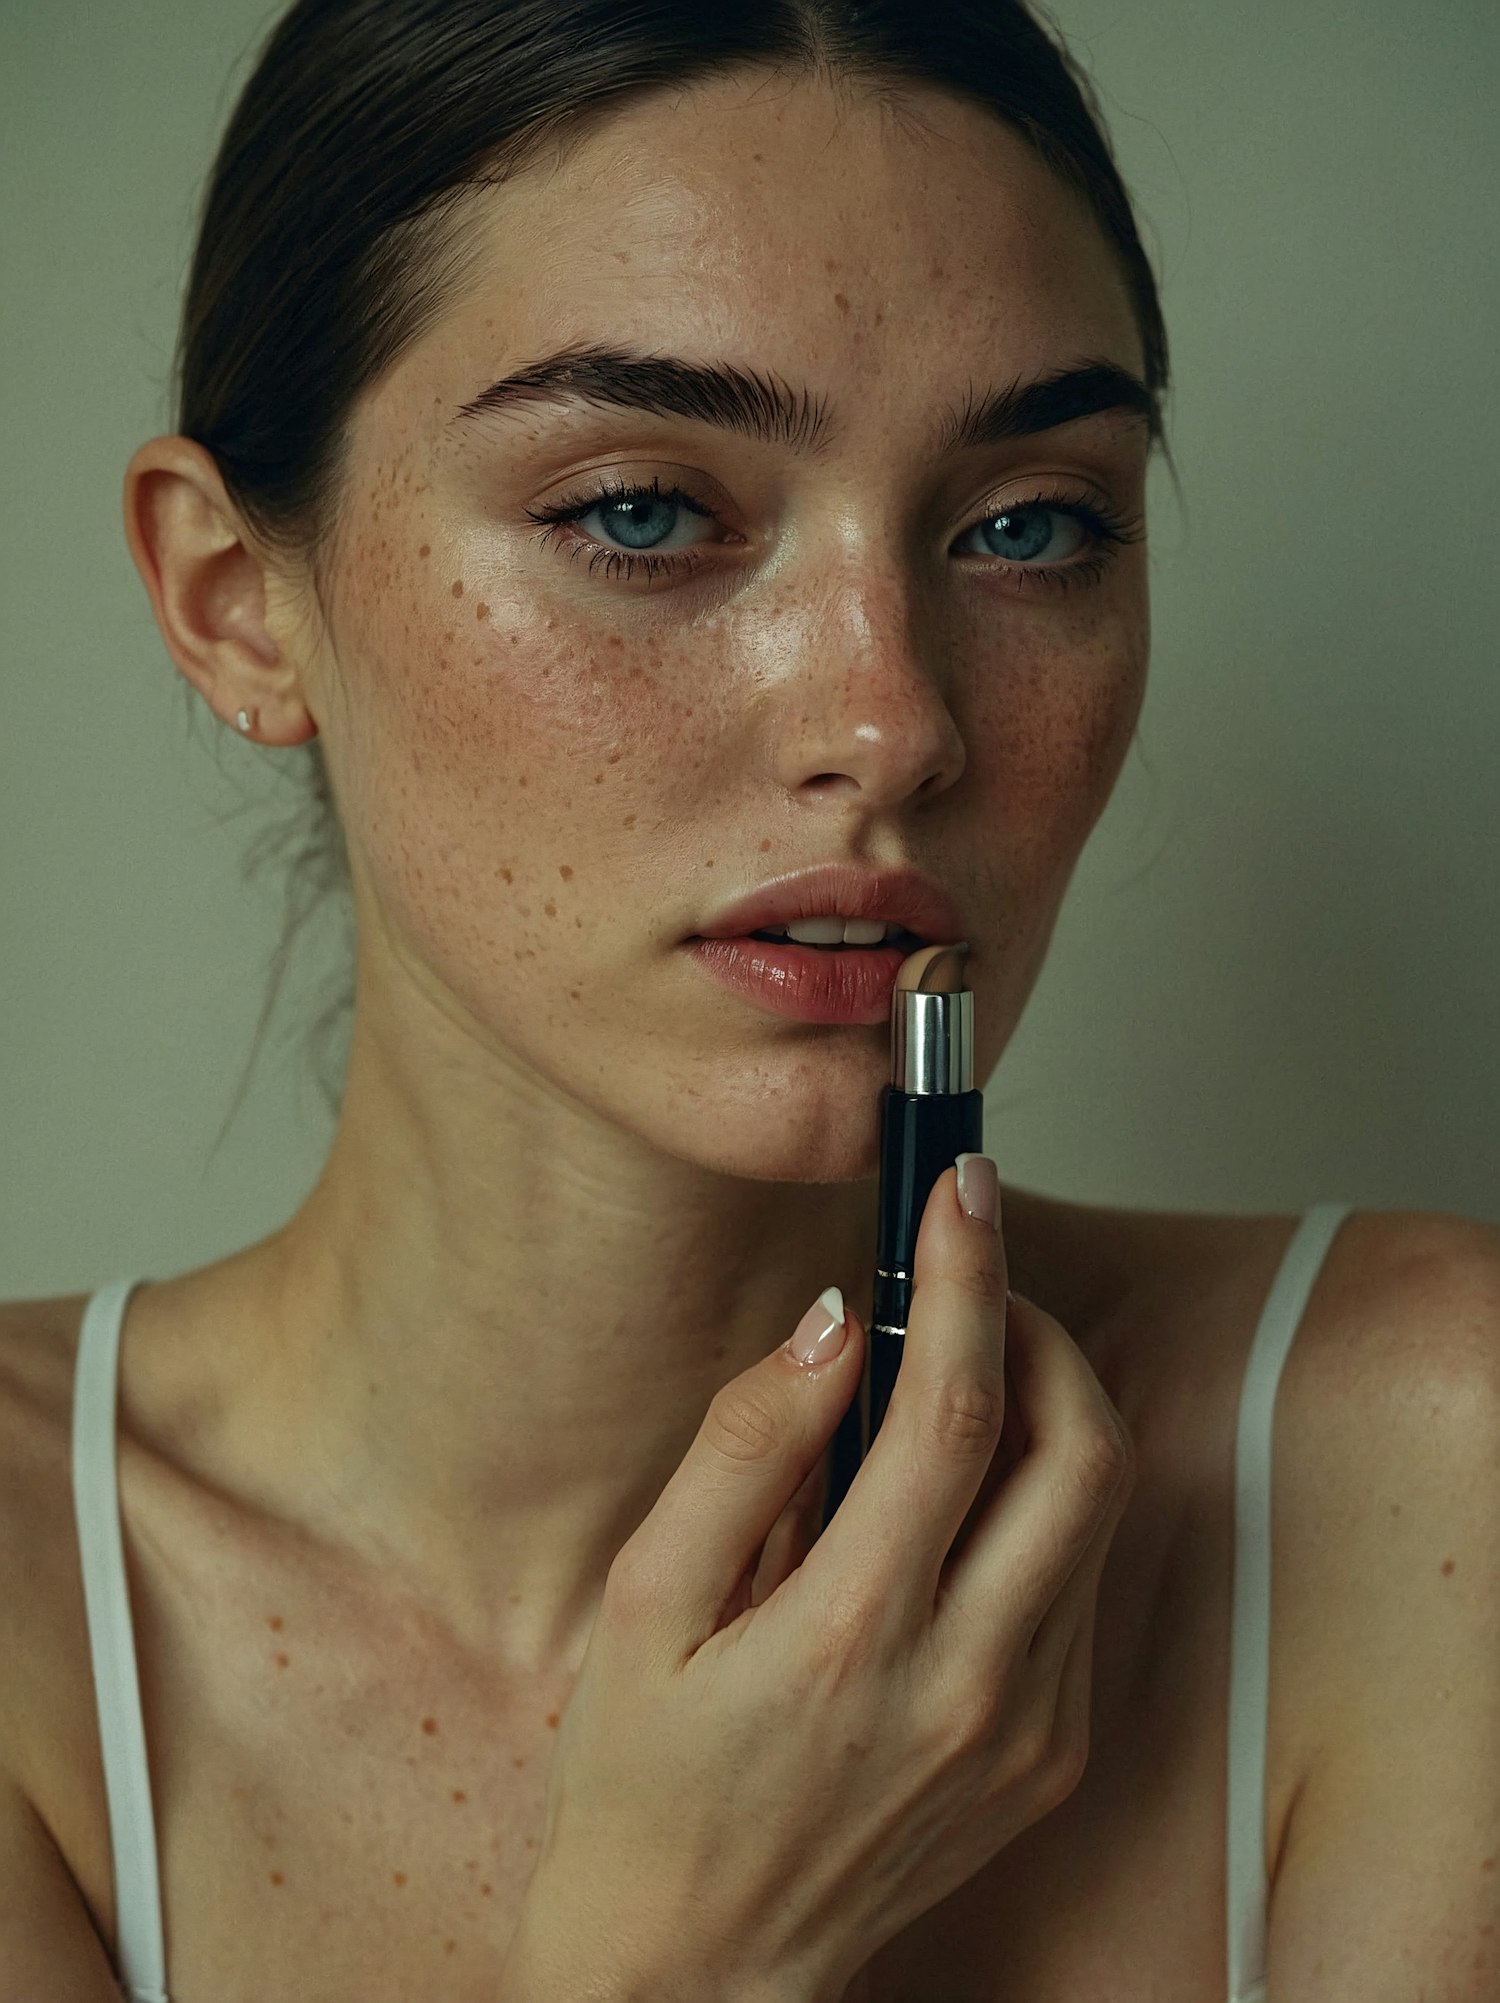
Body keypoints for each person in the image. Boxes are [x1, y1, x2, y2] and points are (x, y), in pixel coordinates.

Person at [3, 3, 1496, 1998]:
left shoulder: (1416, 1472)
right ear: (234, 599)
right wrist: (670, 1964)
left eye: (1029, 524)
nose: (892, 719)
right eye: (642, 510)